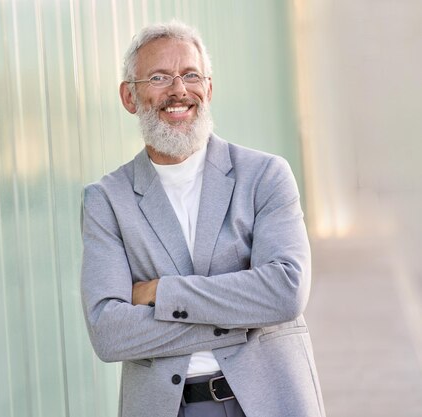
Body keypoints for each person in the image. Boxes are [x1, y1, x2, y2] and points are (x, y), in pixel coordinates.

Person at [80, 21, 325, 417]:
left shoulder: (265, 176)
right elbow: (110, 333)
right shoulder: (106, 200)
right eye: (159, 77)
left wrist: (162, 292)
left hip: (270, 400)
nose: (179, 90)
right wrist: (245, 318)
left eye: (191, 75)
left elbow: (286, 291)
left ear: (208, 89)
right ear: (129, 96)